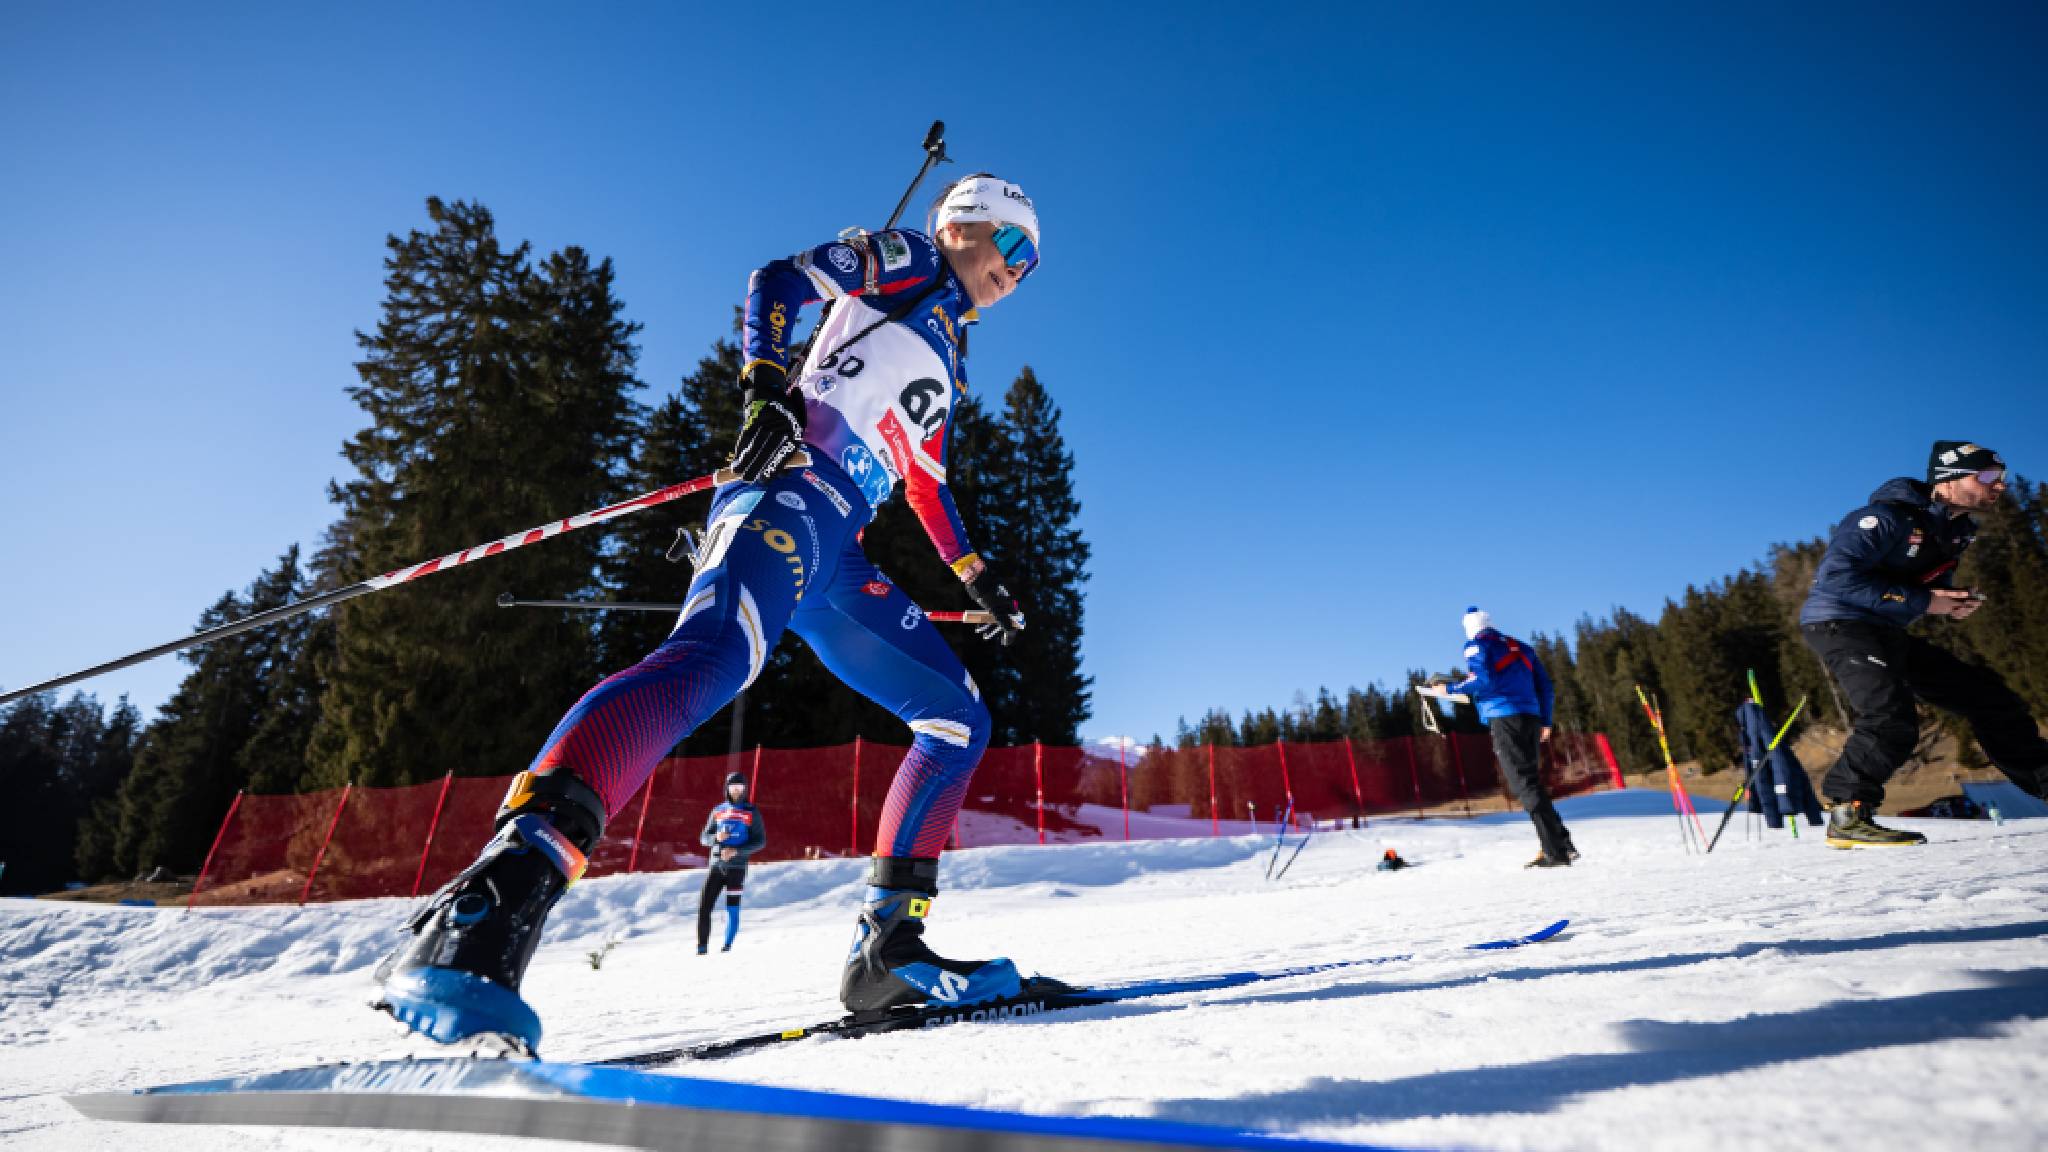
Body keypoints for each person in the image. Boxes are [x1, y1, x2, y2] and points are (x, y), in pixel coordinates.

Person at [374, 173, 1042, 1051]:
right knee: (712, 659)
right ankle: (483, 911)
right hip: (787, 494)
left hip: (839, 548)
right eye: (1016, 248)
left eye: (1032, 268)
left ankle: (888, 951)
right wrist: (766, 388)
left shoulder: (949, 352)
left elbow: (927, 484)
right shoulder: (912, 260)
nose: (1020, 273)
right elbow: (781, 281)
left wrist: (976, 576)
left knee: (956, 718)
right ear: (963, 223)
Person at [1799, 441, 2048, 848]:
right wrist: (1925, 601)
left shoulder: (1955, 531)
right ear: (1946, 482)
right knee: (1889, 716)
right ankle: (1848, 812)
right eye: (1986, 477)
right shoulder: (1883, 519)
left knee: (1988, 699)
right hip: (1841, 623)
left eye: (2001, 479)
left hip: (1886, 629)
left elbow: (1924, 585)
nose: (1998, 486)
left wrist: (1951, 603)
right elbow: (1838, 579)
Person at [1440, 607, 1576, 868]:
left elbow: (1483, 679)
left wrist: (1448, 689)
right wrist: (1545, 720)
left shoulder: (1475, 646)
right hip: (1531, 718)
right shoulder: (1520, 647)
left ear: (1470, 627)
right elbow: (1545, 687)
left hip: (1504, 718)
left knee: (1524, 785)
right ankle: (1562, 845)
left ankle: (1555, 852)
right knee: (1531, 782)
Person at [697, 771, 765, 954]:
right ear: (726, 789)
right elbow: (703, 837)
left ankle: (727, 947)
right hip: (716, 866)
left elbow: (760, 841)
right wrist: (716, 838)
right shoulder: (718, 810)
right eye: (733, 788)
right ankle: (701, 948)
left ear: (745, 789)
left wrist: (737, 851)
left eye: (740, 788)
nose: (736, 791)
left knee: (732, 909)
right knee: (704, 906)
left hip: (737, 868)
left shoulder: (751, 811)